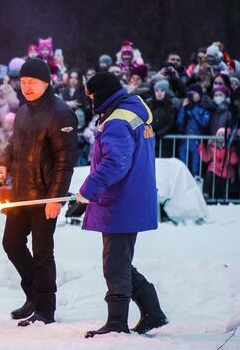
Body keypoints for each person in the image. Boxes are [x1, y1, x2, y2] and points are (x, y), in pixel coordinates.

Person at [76, 72, 168, 338]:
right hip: (131, 199)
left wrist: (88, 190)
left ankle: (117, 323)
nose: (90, 100)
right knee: (120, 262)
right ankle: (153, 311)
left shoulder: (117, 120)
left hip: (121, 202)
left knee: (115, 265)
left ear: (102, 93)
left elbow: (116, 162)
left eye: (91, 95)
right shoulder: (131, 110)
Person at [0, 58, 78, 327]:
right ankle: (33, 296)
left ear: (46, 82)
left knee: (42, 252)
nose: (27, 88)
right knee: (12, 243)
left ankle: (46, 308)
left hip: (44, 195)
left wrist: (56, 198)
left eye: (32, 83)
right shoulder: (24, 111)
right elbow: (12, 144)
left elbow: (65, 161)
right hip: (20, 191)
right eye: (23, 83)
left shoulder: (61, 113)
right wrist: (3, 164)